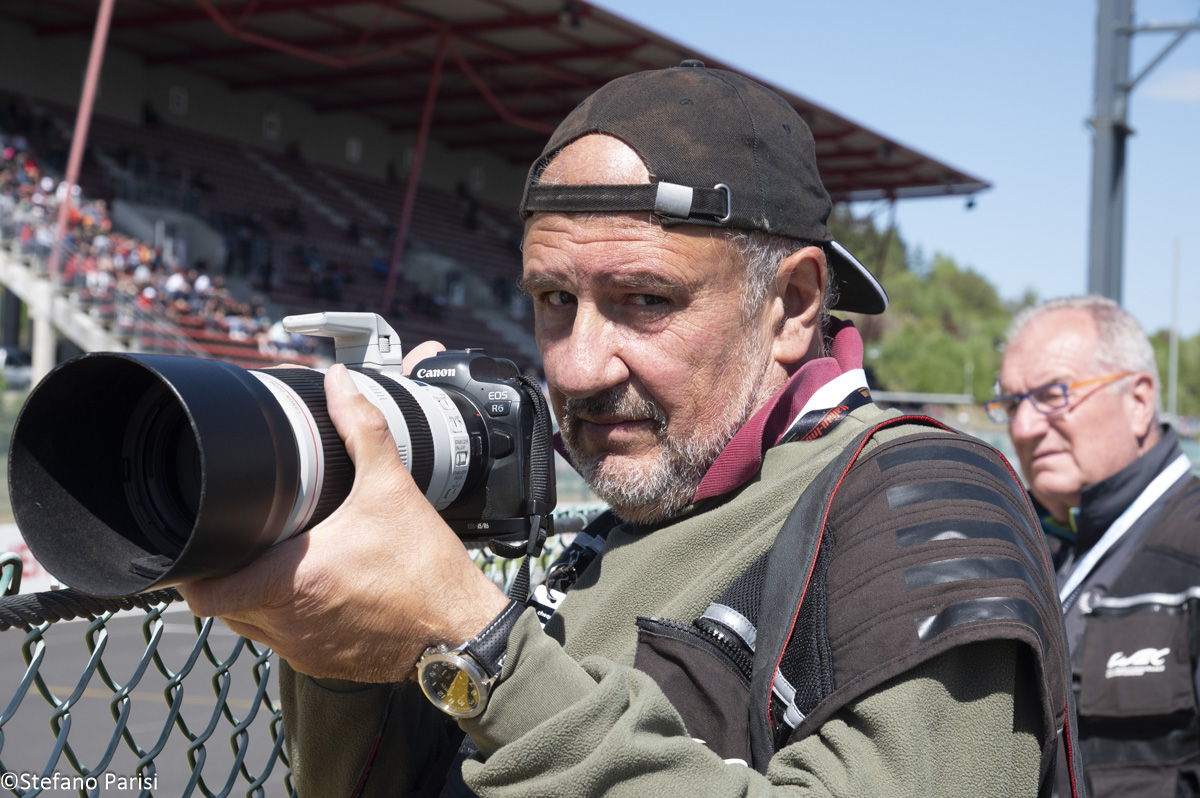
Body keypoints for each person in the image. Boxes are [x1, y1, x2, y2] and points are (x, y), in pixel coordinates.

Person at [181, 63, 1079, 797]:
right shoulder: (648, 502)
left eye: (645, 300)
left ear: (794, 304)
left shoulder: (922, 502)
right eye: (554, 300)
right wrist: (347, 648)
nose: (577, 367)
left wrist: (485, 650)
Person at [988, 295, 1200, 795]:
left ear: (1139, 401)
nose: (1024, 428)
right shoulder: (1020, 551)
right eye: (1013, 404)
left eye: (1052, 394)